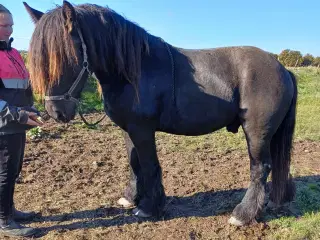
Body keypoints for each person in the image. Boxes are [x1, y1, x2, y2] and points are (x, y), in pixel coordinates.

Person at [0, 4, 43, 238]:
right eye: (4, 25)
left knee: (13, 170)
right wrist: (19, 115)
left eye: (11, 25)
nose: (9, 29)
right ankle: (4, 221)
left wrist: (31, 109)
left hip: (19, 122)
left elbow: (23, 87)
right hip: (4, 125)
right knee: (5, 172)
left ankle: (9, 210)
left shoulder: (13, 53)